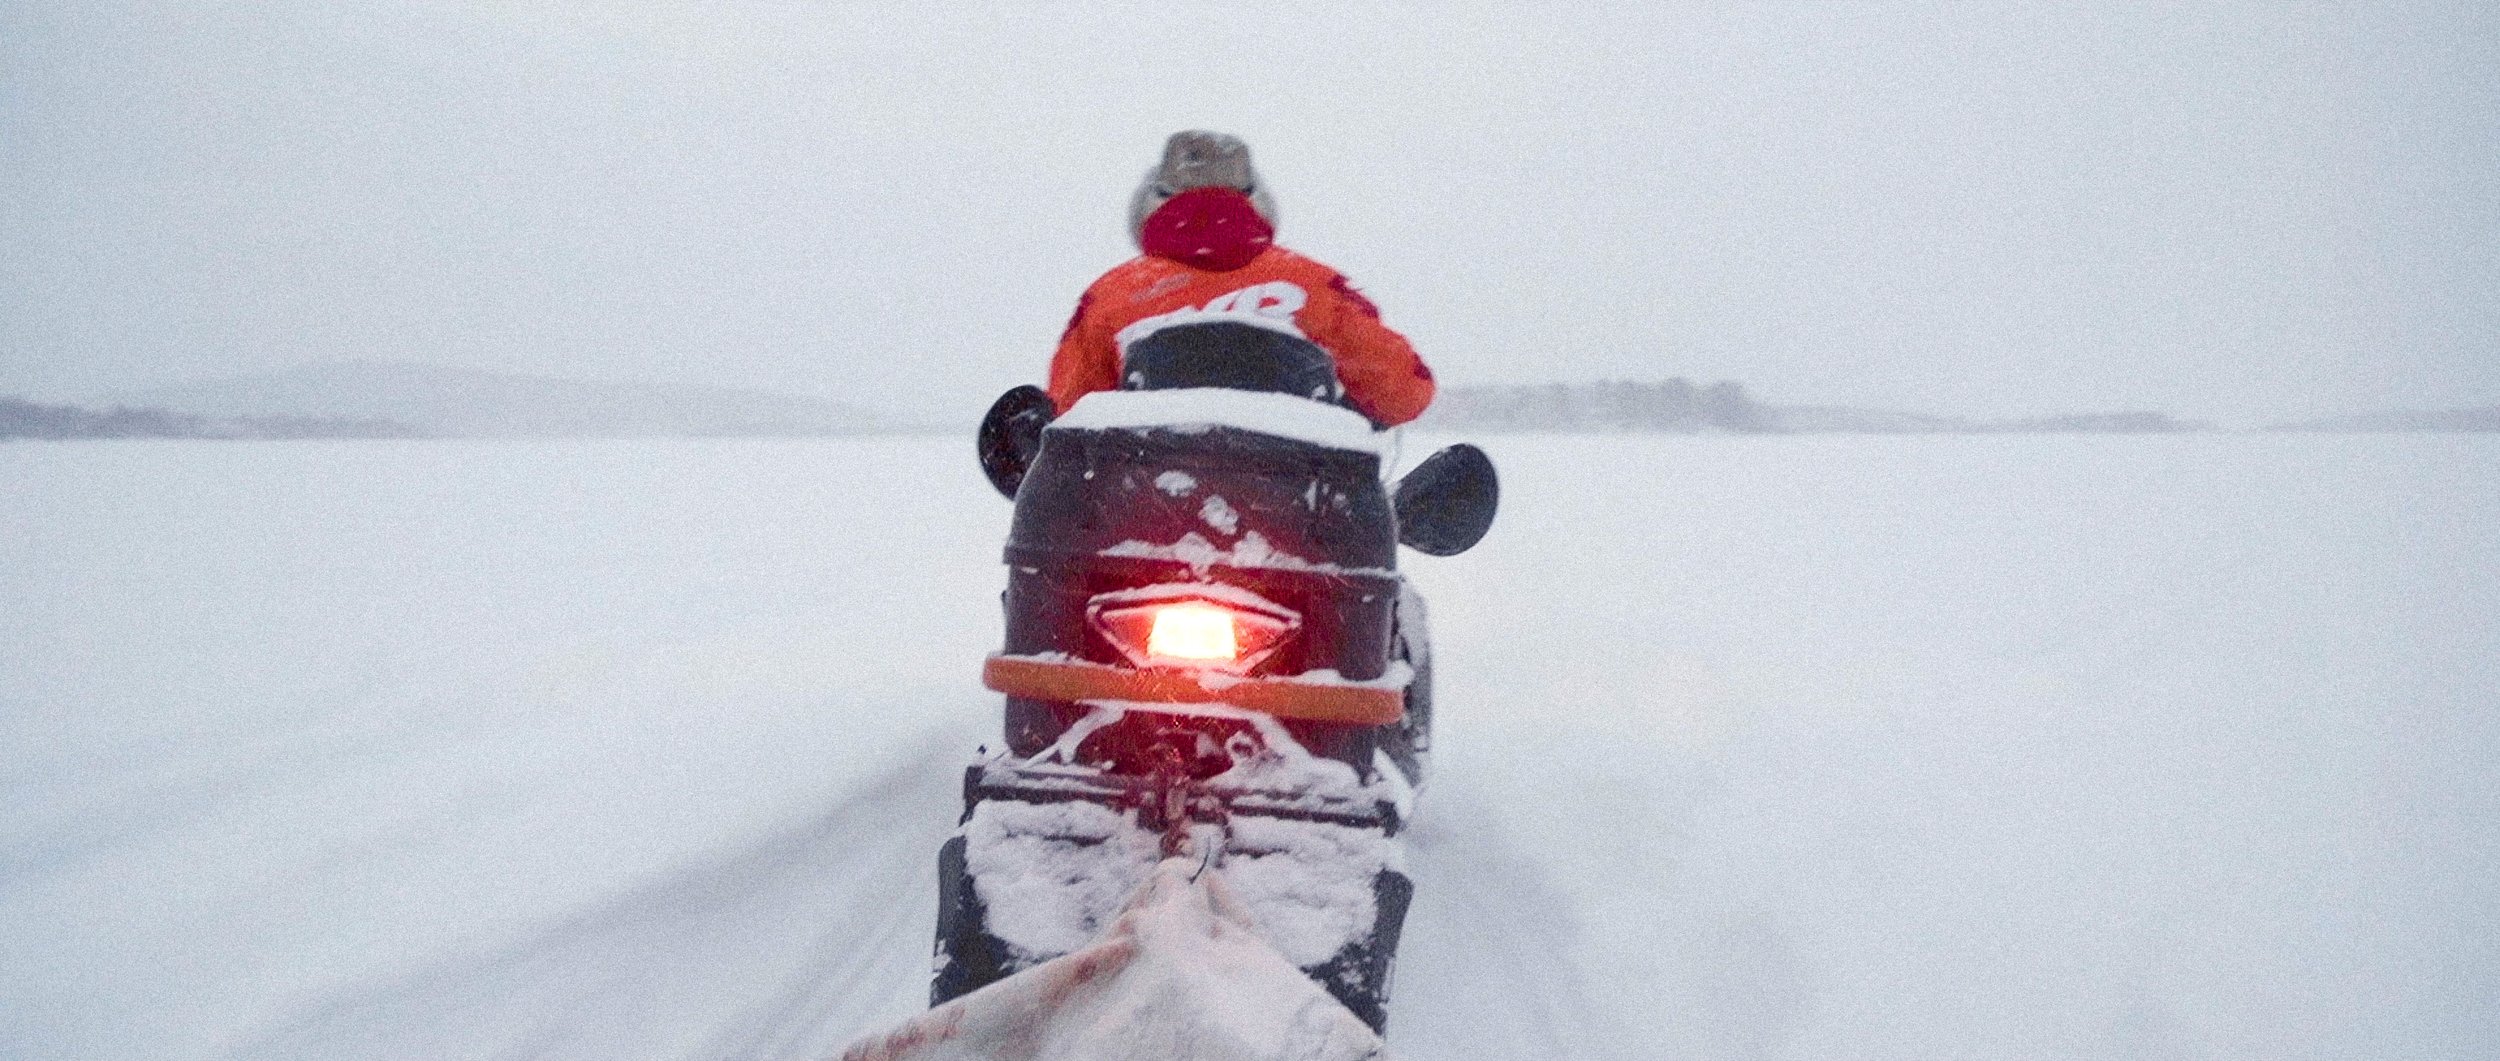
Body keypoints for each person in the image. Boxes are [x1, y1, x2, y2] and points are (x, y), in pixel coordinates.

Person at [1047, 131, 1436, 427]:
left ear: (1150, 204)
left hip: (1146, 515)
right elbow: (1405, 393)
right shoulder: (1311, 286)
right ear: (1257, 201)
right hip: (1295, 516)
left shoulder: (1109, 299)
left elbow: (1066, 420)